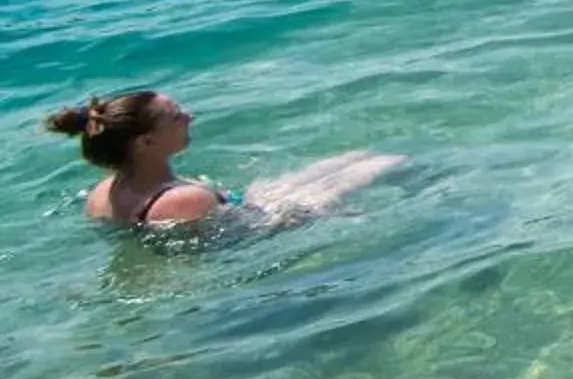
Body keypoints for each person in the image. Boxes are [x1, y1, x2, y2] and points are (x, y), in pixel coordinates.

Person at [43, 90, 401, 229]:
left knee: (354, 157)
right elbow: (255, 233)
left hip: (242, 205)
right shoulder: (184, 200)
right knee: (382, 165)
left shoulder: (101, 193)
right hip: (260, 215)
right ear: (146, 141)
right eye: (176, 116)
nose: (189, 117)